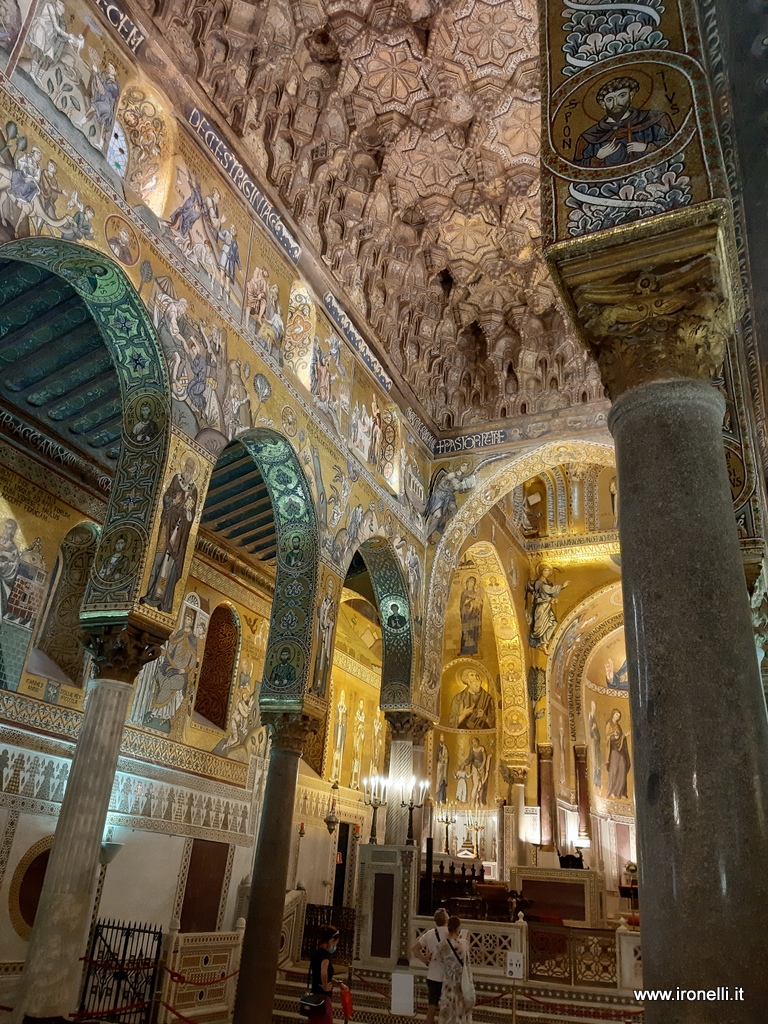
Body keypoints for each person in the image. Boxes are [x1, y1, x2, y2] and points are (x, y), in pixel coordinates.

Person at [574, 76, 675, 168]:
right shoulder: (589, 137)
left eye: (621, 96)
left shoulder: (656, 120)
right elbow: (577, 168)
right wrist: (598, 158)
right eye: (609, 99)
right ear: (603, 104)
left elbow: (674, 146)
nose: (616, 103)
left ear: (631, 96)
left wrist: (647, 147)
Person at [411, 908, 449, 1024]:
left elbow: (415, 949)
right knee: (446, 1009)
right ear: (446, 919)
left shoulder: (430, 934)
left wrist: (425, 961)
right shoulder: (450, 934)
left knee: (431, 1008)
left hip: (432, 976)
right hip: (447, 977)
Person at [434, 915, 471, 1024]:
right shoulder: (464, 944)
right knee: (459, 1008)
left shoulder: (443, 945)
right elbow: (467, 963)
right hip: (460, 981)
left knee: (447, 1007)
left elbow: (437, 958)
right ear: (458, 928)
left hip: (448, 981)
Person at [526, 562, 569, 654]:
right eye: (545, 570)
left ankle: (544, 643)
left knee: (553, 623)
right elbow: (546, 590)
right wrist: (562, 586)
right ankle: (540, 643)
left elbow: (549, 593)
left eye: (548, 570)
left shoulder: (549, 582)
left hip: (547, 606)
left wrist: (552, 600)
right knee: (540, 628)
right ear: (541, 571)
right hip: (541, 607)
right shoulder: (539, 582)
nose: (547, 572)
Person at [309, 925, 347, 1024]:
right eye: (335, 943)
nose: (335, 946)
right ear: (331, 940)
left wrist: (338, 983)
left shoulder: (316, 953)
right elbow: (324, 972)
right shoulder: (325, 956)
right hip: (323, 998)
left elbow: (320, 974)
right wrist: (325, 985)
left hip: (314, 996)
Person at [606, 708, 631, 799]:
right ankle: (613, 791)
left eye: (619, 715)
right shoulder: (609, 724)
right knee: (614, 770)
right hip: (613, 752)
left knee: (622, 770)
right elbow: (608, 737)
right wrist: (615, 736)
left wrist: (623, 736)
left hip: (621, 752)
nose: (618, 716)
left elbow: (620, 736)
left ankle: (622, 792)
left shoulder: (618, 726)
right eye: (617, 714)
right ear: (613, 714)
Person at [459, 576, 483, 656]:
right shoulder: (464, 593)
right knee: (466, 633)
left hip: (474, 616)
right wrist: (469, 602)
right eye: (470, 582)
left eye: (473, 582)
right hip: (467, 617)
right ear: (467, 583)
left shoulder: (476, 594)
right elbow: (462, 605)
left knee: (473, 633)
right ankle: (464, 650)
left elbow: (480, 605)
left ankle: (473, 650)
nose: (471, 583)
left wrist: (478, 604)